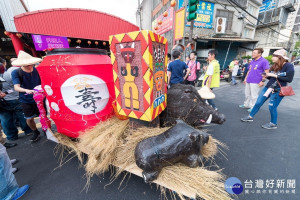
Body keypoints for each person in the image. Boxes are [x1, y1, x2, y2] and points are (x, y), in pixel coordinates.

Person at [241, 49, 294, 129]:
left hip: (278, 89)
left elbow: (289, 79)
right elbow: (271, 77)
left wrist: (274, 76)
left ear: (280, 57)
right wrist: (266, 76)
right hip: (268, 87)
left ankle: (273, 124)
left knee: (272, 107)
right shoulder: (275, 65)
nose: (272, 58)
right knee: (258, 102)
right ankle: (250, 116)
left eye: (274, 56)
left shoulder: (289, 66)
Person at [11, 51, 42, 142]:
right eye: (26, 65)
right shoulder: (16, 72)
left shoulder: (37, 69)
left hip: (40, 97)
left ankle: (46, 129)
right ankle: (35, 131)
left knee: (43, 115)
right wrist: (26, 90)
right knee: (29, 118)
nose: (29, 66)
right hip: (26, 99)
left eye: (31, 64)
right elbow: (16, 87)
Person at [0, 59, 33, 142]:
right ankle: (28, 131)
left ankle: (11, 136)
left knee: (6, 119)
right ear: (4, 63)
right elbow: (17, 85)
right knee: (22, 116)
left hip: (2, 102)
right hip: (15, 98)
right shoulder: (11, 72)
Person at [239, 48, 270, 112]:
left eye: (255, 53)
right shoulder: (252, 61)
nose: (253, 54)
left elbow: (266, 72)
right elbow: (249, 70)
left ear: (260, 54)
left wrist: (262, 81)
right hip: (249, 80)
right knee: (247, 94)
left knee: (254, 95)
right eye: (253, 53)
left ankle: (252, 106)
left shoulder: (264, 61)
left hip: (256, 81)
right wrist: (245, 78)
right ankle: (246, 104)